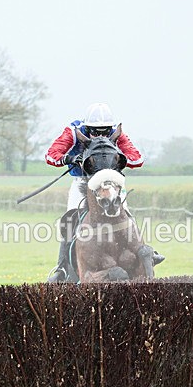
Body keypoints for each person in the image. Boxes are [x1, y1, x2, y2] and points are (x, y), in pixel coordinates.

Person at [44, 103, 162, 282]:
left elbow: (137, 159)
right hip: (83, 181)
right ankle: (62, 268)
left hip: (111, 182)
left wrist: (120, 157)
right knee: (70, 219)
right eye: (94, 131)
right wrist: (69, 158)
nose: (100, 135)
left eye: (105, 131)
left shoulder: (117, 134)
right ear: (87, 127)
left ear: (111, 128)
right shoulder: (73, 131)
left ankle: (145, 253)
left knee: (126, 214)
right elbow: (51, 155)